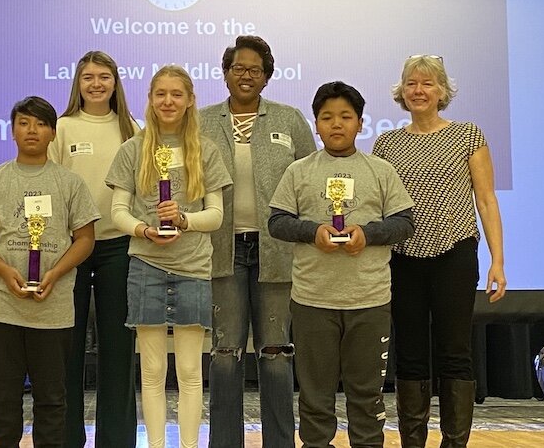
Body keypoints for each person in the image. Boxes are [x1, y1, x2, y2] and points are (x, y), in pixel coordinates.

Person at [268, 81, 415, 448]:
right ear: (315, 124)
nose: (336, 124)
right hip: (313, 300)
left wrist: (366, 234)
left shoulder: (380, 170)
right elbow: (277, 222)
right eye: (327, 117)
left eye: (346, 117)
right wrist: (311, 231)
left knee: (367, 396)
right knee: (315, 397)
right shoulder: (299, 171)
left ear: (361, 123)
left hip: (369, 300)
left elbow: (405, 223)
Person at [372, 55, 507, 448]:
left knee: (455, 350)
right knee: (410, 353)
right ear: (402, 91)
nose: (419, 90)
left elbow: (485, 200)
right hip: (403, 258)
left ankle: (454, 443)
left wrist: (498, 260)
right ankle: (413, 442)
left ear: (442, 91)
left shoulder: (468, 136)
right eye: (412, 83)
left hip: (455, 253)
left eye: (428, 84)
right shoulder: (387, 143)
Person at [0, 96, 100, 448]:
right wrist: (5, 271)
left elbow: (85, 239)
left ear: (53, 132)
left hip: (52, 311)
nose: (31, 130)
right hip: (1, 306)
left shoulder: (69, 183)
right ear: (13, 131)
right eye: (24, 123)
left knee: (52, 399)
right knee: (4, 398)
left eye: (39, 123)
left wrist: (55, 273)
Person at [105, 65, 231, 448]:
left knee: (192, 371)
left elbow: (216, 216)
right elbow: (117, 212)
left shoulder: (206, 150)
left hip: (193, 268)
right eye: (160, 94)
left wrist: (183, 219)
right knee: (153, 371)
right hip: (146, 266)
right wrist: (144, 230)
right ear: (150, 100)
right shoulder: (133, 150)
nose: (168, 101)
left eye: (177, 94)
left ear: (191, 100)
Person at [200, 35, 316, 448]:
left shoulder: (289, 120)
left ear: (267, 76)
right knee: (226, 355)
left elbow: (313, 178)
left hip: (276, 252)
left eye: (255, 69)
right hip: (221, 251)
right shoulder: (201, 122)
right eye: (238, 68)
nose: (246, 76)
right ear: (225, 73)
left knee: (276, 355)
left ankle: (281, 443)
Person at [47, 51, 139, 448]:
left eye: (104, 77)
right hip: (71, 247)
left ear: (116, 83)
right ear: (78, 84)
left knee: (119, 348)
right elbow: (50, 186)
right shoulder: (62, 128)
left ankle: (116, 440)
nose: (96, 84)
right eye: (88, 77)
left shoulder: (132, 128)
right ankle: (66, 438)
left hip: (120, 246)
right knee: (66, 347)